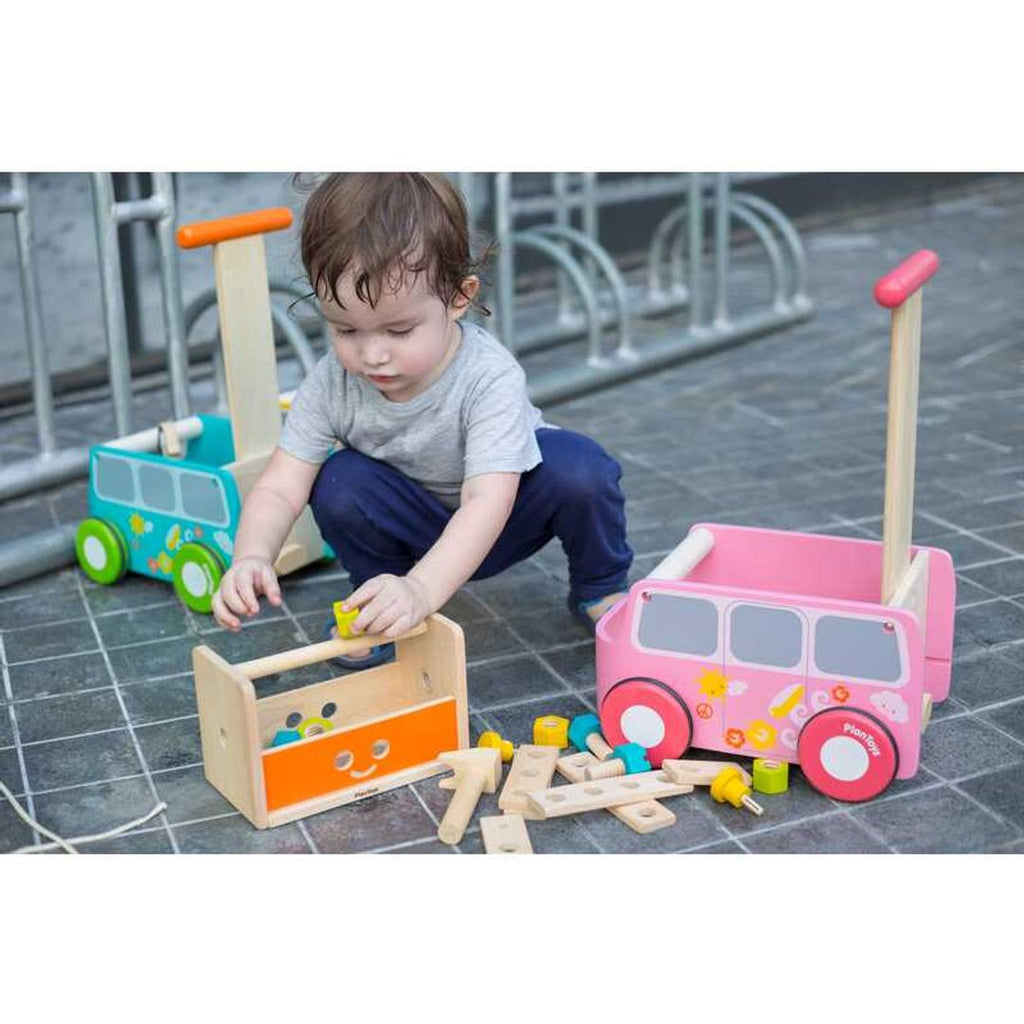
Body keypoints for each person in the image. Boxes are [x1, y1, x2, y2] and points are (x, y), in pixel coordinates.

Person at [211, 173, 632, 666]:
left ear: (459, 297)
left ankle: (598, 587)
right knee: (339, 480)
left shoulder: (488, 376)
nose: (372, 355)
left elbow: (485, 501)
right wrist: (251, 556)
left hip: (504, 512)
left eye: (399, 329)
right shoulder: (331, 384)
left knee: (581, 469)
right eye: (345, 328)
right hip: (412, 522)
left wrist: (422, 589)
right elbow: (281, 487)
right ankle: (376, 603)